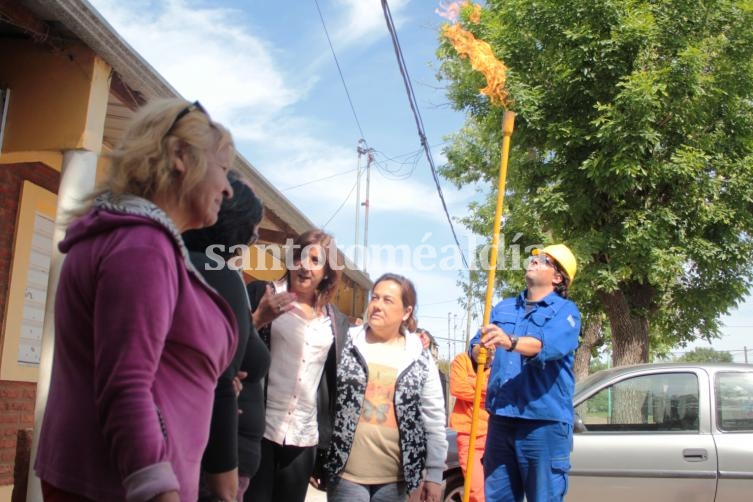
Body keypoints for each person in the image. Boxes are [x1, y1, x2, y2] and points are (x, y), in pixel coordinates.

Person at [34, 98, 238, 501]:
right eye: (224, 168)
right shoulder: (143, 246)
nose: (228, 189)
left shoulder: (127, 236)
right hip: (119, 487)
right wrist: (159, 490)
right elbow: (126, 386)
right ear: (181, 156)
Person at [182, 172, 270, 502]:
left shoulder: (191, 263)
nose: (256, 238)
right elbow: (220, 386)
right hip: (213, 465)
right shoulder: (221, 273)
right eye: (255, 227)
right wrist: (226, 486)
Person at [470, 244, 581, 502]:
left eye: (544, 260)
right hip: (501, 420)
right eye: (534, 257)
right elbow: (477, 346)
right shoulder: (504, 308)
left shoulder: (566, 312)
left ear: (557, 277)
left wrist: (508, 341)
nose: (534, 260)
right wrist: (479, 352)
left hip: (543, 425)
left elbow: (544, 346)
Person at [245, 229, 350, 502]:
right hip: (258, 427)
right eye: (300, 257)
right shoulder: (260, 294)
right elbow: (229, 342)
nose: (305, 266)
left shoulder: (334, 322)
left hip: (303, 437)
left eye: (315, 260)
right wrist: (258, 320)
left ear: (327, 272)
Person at [326, 273, 448, 502]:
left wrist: (433, 475)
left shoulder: (420, 357)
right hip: (346, 475)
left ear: (406, 312)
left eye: (387, 300)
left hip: (397, 481)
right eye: (375, 298)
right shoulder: (347, 341)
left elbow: (433, 418)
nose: (377, 306)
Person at [449, 349, 493, 502]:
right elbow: (457, 387)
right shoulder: (462, 360)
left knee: (496, 489)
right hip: (468, 434)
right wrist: (486, 393)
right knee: (476, 490)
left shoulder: (498, 365)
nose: (489, 353)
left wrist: (471, 382)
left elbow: (497, 390)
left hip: (494, 433)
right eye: (486, 349)